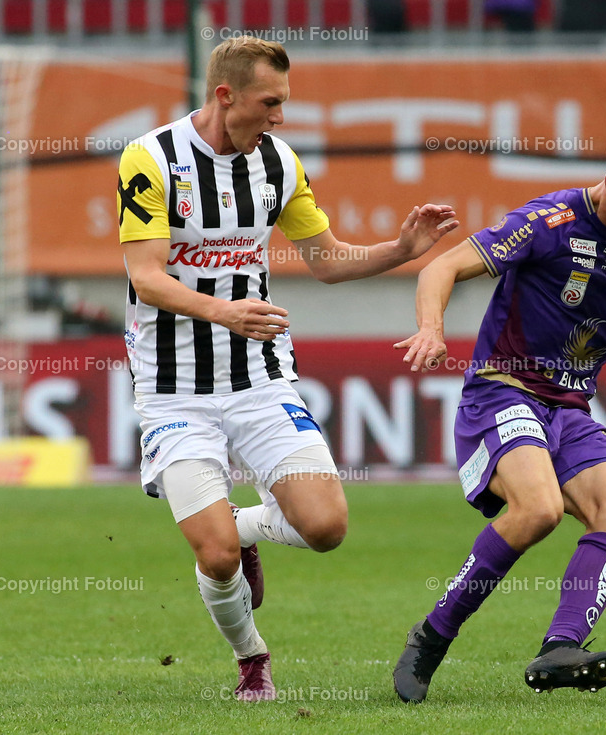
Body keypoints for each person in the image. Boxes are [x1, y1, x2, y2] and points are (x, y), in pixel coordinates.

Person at [117, 36, 457, 701]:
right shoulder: (150, 158)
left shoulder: (277, 163)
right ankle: (252, 656)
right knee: (212, 558)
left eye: (283, 104)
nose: (279, 117)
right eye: (270, 103)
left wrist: (403, 248)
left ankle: (244, 527)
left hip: (260, 379)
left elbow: (326, 260)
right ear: (226, 95)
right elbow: (147, 278)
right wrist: (228, 313)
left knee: (326, 527)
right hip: (173, 389)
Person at [391, 118, 606, 702]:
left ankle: (559, 650)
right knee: (535, 510)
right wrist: (431, 330)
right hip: (502, 390)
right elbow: (442, 266)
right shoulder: (548, 221)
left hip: (568, 408)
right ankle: (431, 637)